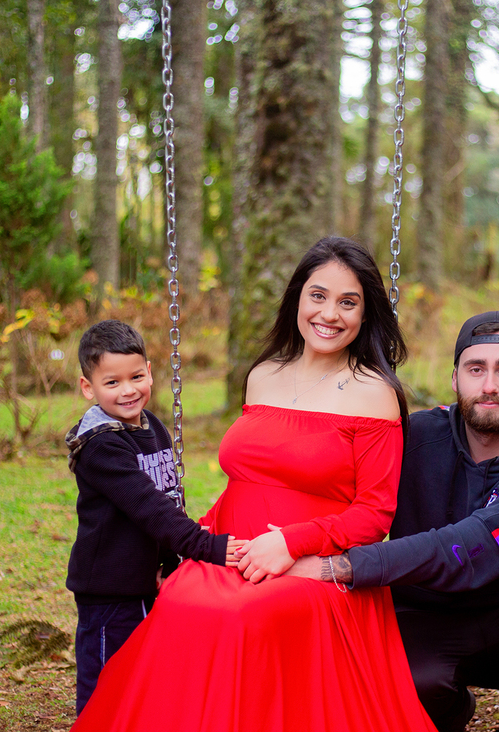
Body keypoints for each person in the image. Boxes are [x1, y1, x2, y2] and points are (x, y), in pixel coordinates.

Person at [72, 237, 438, 732]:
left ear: (366, 313)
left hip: (314, 564)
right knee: (181, 598)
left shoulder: (374, 394)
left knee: (244, 616)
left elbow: (374, 515)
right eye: (318, 295)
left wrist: (290, 543)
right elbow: (245, 480)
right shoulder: (264, 374)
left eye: (348, 302)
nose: (330, 314)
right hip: (234, 548)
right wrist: (195, 543)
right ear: (297, 299)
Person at [289, 310, 499, 732]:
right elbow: (331, 477)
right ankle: (450, 707)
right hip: (423, 620)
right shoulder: (412, 437)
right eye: (476, 369)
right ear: (455, 378)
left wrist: (338, 567)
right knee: (418, 690)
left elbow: (470, 547)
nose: (489, 386)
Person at [66, 319, 244, 714]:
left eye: (135, 376)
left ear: (149, 372)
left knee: (140, 670)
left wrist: (168, 562)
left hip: (145, 581)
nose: (128, 390)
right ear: (88, 388)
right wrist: (206, 548)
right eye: (111, 382)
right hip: (108, 589)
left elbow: (170, 498)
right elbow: (150, 507)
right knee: (105, 678)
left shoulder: (155, 428)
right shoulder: (100, 446)